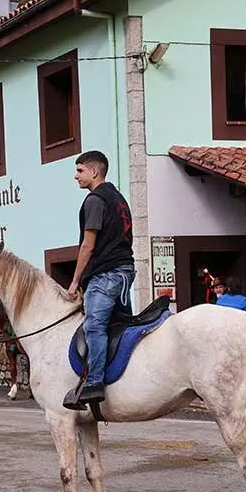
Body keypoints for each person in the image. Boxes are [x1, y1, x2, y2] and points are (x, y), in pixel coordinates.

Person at [63, 150, 135, 410]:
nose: (76, 176)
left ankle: (94, 382)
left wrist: (75, 281)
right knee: (121, 325)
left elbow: (88, 245)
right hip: (125, 271)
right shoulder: (118, 198)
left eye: (80, 170)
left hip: (106, 274)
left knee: (94, 326)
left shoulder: (95, 200)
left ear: (94, 172)